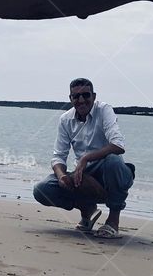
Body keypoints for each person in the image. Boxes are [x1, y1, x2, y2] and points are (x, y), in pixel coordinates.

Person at [33, 78, 134, 239]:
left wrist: (86, 158)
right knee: (42, 189)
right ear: (70, 99)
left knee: (113, 161)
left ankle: (113, 221)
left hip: (109, 173)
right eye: (76, 96)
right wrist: (62, 177)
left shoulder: (104, 110)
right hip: (82, 176)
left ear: (93, 96)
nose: (81, 100)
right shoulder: (65, 119)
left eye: (85, 95)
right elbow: (58, 156)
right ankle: (87, 210)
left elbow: (118, 145)